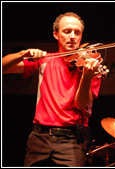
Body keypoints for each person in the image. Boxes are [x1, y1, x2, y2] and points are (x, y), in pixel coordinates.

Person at [2, 12, 102, 167]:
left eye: (77, 32)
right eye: (67, 31)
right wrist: (23, 54)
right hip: (39, 137)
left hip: (71, 139)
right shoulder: (45, 60)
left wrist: (87, 77)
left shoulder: (90, 65)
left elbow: (81, 104)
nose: (72, 36)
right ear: (56, 34)